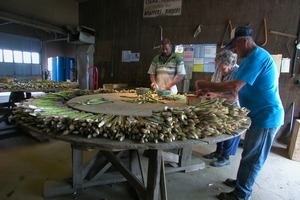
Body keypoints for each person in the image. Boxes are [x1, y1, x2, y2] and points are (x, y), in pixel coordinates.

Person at [195, 26, 284, 200]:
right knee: (249, 154)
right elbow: (234, 93)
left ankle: (241, 195)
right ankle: (241, 183)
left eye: (235, 46)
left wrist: (206, 83)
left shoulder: (258, 57)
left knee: (253, 158)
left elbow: (233, 86)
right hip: (257, 116)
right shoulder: (250, 59)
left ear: (244, 41)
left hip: (267, 116)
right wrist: (209, 88)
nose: (235, 51)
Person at [199, 49, 241, 167]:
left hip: (233, 108)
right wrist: (205, 90)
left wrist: (217, 96)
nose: (222, 71)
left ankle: (225, 157)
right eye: (219, 68)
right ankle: (218, 152)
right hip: (220, 106)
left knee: (229, 131)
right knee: (219, 130)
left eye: (224, 68)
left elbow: (235, 96)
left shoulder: (238, 73)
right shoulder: (218, 70)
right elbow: (214, 85)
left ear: (231, 65)